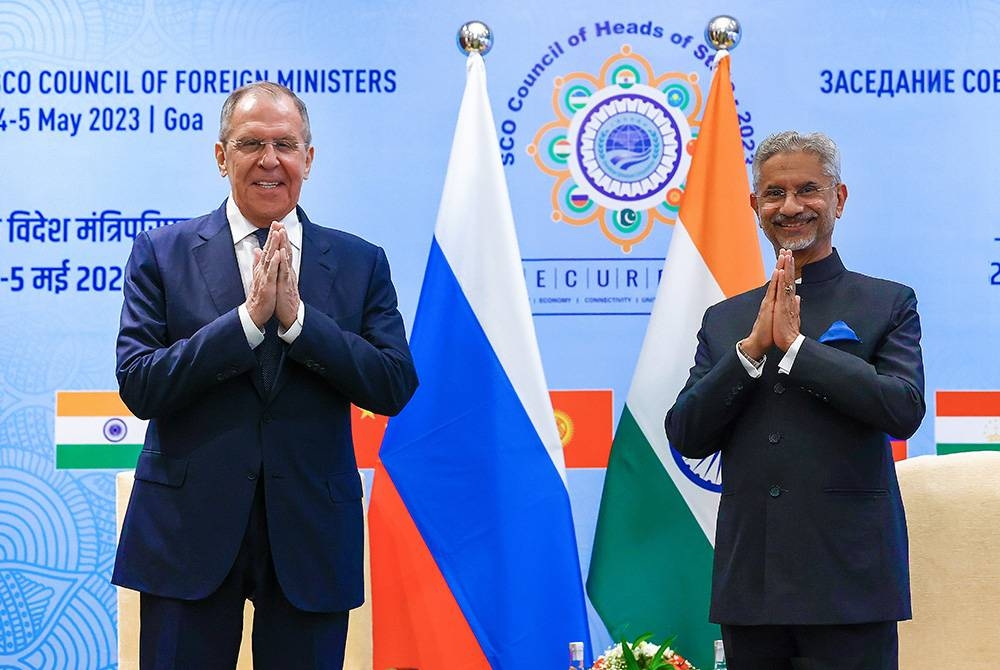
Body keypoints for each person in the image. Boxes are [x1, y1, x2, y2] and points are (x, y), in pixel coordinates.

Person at [113, 81, 418, 669]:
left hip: (309, 532)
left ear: (309, 158)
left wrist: (300, 323)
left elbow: (393, 384)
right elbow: (140, 383)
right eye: (251, 143)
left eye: (286, 144)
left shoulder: (360, 261)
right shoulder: (161, 253)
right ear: (222, 156)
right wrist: (247, 323)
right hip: (187, 534)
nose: (270, 160)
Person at [665, 131, 924, 670]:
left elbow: (902, 409)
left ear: (839, 199)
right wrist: (751, 351)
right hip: (751, 586)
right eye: (774, 193)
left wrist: (799, 350)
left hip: (849, 583)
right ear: (755, 205)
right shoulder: (728, 321)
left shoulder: (887, 302)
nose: (791, 207)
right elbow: (686, 434)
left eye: (808, 190)